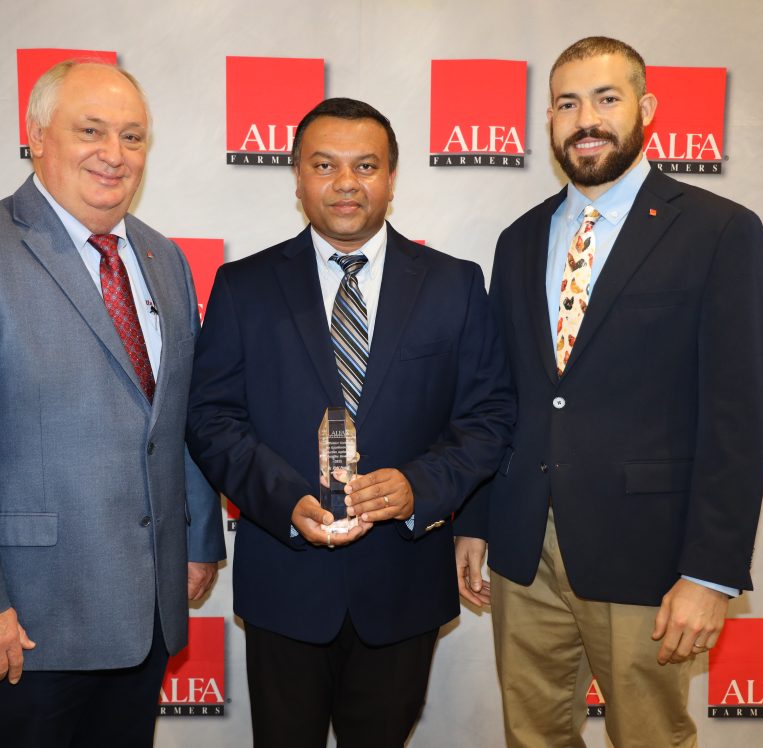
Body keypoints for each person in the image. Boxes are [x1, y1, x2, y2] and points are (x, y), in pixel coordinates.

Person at [0, 60, 225, 747]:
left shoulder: (165, 259)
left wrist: (194, 541)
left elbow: (176, 419)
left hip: (149, 609)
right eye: (91, 130)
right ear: (36, 136)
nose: (114, 154)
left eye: (133, 137)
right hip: (29, 619)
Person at [454, 36, 763, 748]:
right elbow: (497, 397)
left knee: (651, 737)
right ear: (549, 119)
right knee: (532, 734)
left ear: (646, 108)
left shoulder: (719, 232)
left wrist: (711, 573)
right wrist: (475, 519)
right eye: (568, 103)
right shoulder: (519, 239)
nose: (585, 119)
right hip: (523, 546)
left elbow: (739, 417)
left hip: (650, 556)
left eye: (606, 98)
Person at [187, 97, 512, 747]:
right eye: (324, 165)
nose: (345, 183)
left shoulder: (454, 284)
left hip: (403, 584)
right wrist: (283, 500)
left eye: (366, 166)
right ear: (298, 176)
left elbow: (488, 417)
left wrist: (419, 486)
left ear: (392, 178)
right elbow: (212, 418)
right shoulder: (243, 286)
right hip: (286, 579)